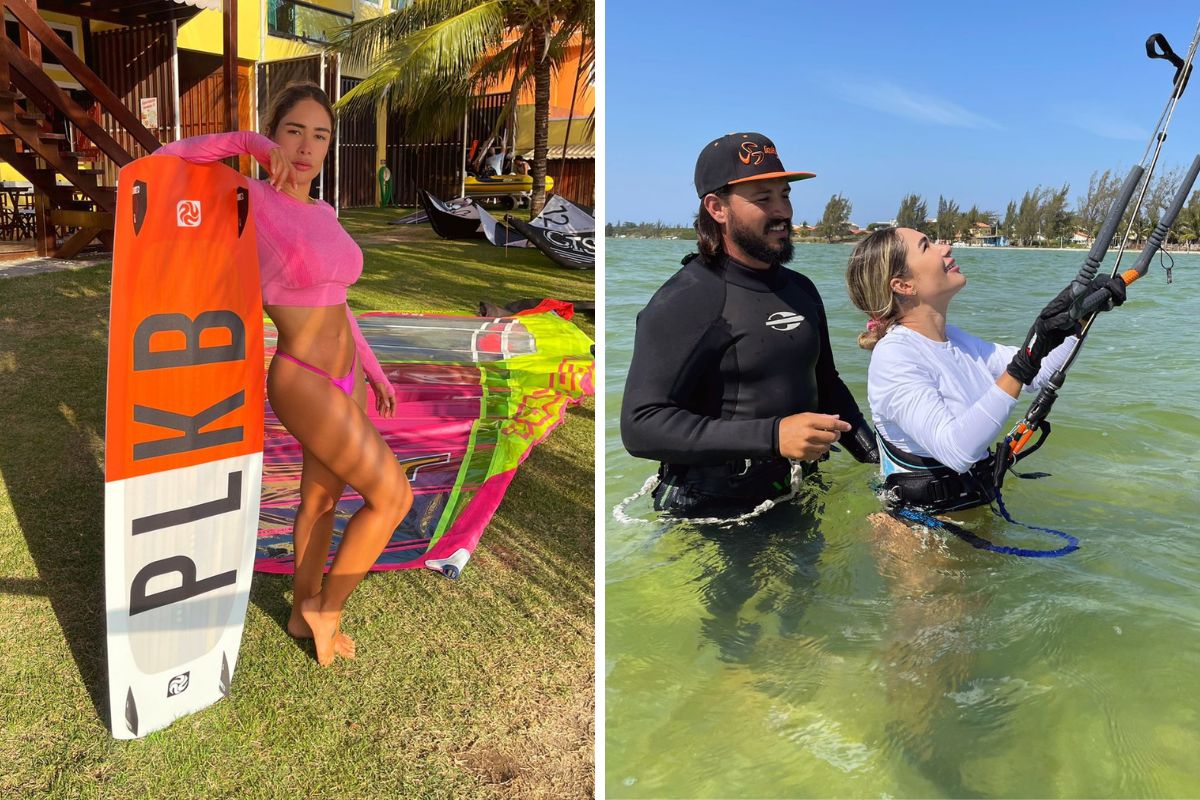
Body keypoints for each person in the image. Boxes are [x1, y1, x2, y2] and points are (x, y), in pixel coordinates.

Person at [157, 81, 413, 666]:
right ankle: (329, 608)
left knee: (322, 499)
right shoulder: (248, 198)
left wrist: (372, 370)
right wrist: (245, 143)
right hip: (304, 378)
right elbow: (164, 161)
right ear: (273, 134)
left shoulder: (323, 210)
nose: (306, 146)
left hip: (346, 378)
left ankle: (302, 611)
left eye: (319, 135)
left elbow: (337, 300)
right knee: (391, 496)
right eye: (293, 131)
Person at [620, 132, 878, 519]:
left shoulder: (800, 289)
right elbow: (641, 425)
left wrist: (878, 458)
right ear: (716, 208)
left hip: (799, 490)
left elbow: (825, 384)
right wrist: (773, 436)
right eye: (763, 199)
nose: (784, 212)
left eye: (786, 195)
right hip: (715, 509)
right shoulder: (687, 298)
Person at [844, 227, 1125, 512]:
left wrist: (1081, 319)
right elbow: (958, 450)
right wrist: (1022, 365)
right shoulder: (893, 356)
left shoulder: (955, 339)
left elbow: (1036, 373)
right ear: (903, 285)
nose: (946, 246)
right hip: (918, 532)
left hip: (967, 515)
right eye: (926, 246)